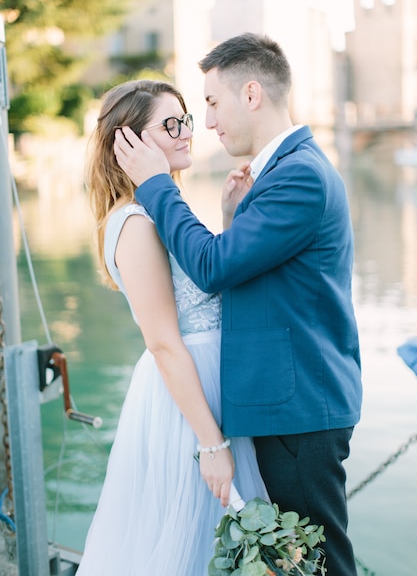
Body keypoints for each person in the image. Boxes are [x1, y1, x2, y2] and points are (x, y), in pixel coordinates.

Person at [113, 33, 363, 576]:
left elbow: (210, 267)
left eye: (210, 103)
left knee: (318, 566)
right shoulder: (279, 175)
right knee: (292, 563)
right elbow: (243, 277)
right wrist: (232, 222)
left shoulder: (297, 176)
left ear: (251, 94)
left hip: (296, 413)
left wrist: (157, 185)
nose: (206, 123)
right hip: (277, 408)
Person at [76, 79, 268, 576]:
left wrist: (227, 221)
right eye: (171, 123)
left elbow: (204, 295)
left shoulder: (162, 212)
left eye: (185, 118)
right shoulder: (135, 223)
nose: (188, 131)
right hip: (186, 406)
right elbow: (163, 342)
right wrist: (212, 444)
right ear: (130, 142)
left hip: (211, 389)